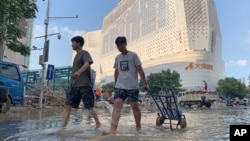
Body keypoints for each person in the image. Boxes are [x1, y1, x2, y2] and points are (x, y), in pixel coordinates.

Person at [103, 36, 149, 135]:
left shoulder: (133, 55)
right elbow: (116, 72)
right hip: (120, 86)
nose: (119, 47)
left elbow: (140, 69)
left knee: (135, 107)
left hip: (132, 86)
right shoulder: (117, 58)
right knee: (117, 106)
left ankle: (138, 127)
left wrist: (145, 83)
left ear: (125, 44)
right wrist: (115, 85)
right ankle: (112, 130)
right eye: (118, 45)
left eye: (121, 45)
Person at [61, 36, 101, 129]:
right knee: (67, 105)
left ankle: (98, 123)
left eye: (73, 42)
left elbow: (87, 63)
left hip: (84, 85)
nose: (72, 44)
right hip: (73, 86)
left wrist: (78, 72)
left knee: (90, 107)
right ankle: (62, 128)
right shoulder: (75, 56)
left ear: (78, 43)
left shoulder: (84, 53)